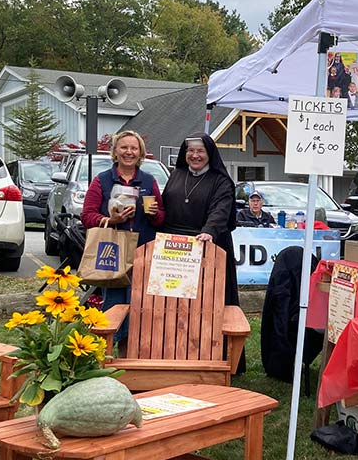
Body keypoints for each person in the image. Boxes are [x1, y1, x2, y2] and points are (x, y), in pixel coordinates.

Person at [81, 130, 165, 344]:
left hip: (142, 252)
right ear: (115, 151)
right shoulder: (102, 181)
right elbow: (87, 216)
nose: (129, 152)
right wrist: (111, 220)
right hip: (112, 252)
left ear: (141, 153)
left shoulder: (149, 181)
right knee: (113, 306)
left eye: (134, 148)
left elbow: (161, 219)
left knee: (140, 307)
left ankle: (132, 351)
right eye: (124, 147)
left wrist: (154, 214)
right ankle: (108, 352)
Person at [162, 132, 240, 310]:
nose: (195, 155)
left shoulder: (221, 181)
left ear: (210, 153)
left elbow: (220, 210)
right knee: (174, 303)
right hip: (175, 249)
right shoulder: (176, 174)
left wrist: (209, 230)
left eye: (200, 151)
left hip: (206, 243)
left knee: (206, 302)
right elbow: (165, 204)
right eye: (190, 150)